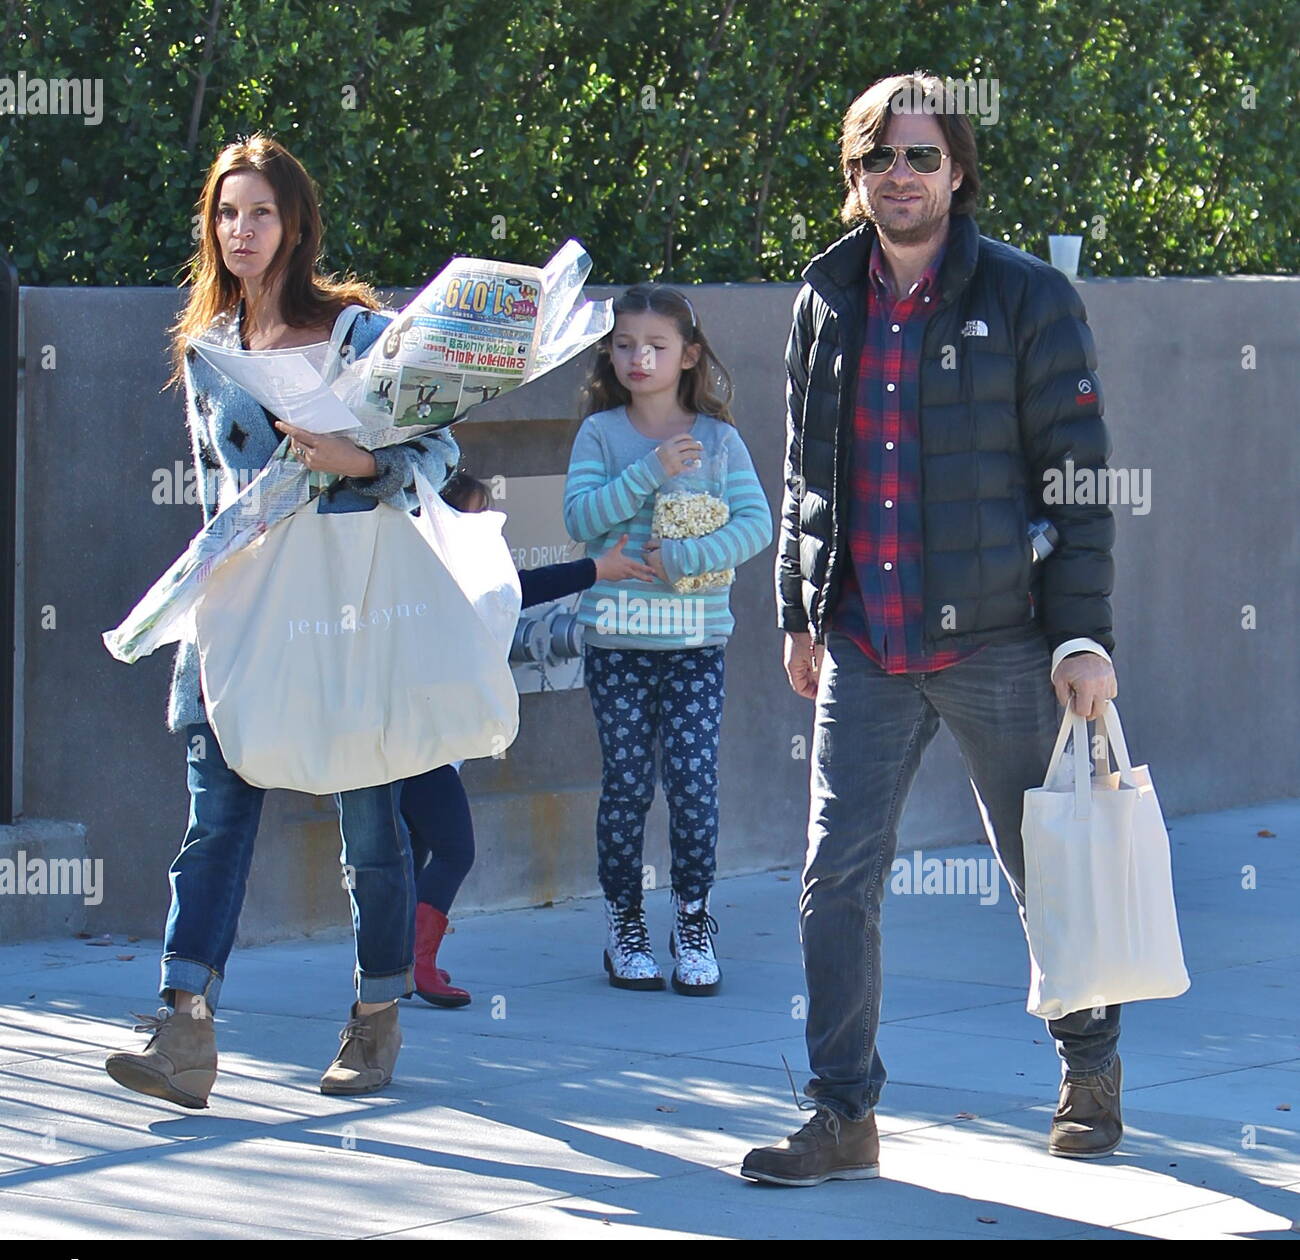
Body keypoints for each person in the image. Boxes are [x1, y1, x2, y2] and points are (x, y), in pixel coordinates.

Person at [741, 71, 1123, 1186]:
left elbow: (1077, 479)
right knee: (833, 881)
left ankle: (1089, 1066)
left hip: (999, 638)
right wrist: (796, 611)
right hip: (862, 635)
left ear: (956, 169)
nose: (897, 177)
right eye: (877, 159)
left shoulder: (1026, 297)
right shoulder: (824, 299)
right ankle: (840, 1111)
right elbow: (808, 470)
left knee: (1040, 868)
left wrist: (1080, 638)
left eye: (919, 157)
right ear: (852, 175)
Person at [103, 134, 458, 1109]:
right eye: (226, 213)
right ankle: (186, 1030)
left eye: (260, 212)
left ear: (295, 225)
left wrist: (357, 462)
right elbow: (221, 494)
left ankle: (375, 1021)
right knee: (213, 822)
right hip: (243, 605)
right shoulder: (207, 349)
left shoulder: (353, 333)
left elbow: (435, 445)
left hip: (345, 607)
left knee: (368, 832)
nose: (240, 230)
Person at [563, 285, 773, 995]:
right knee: (625, 784)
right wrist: (650, 471)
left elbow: (756, 525)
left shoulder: (720, 440)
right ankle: (625, 920)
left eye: (654, 345)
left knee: (692, 781)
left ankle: (693, 916)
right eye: (623, 344)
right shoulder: (600, 433)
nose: (638, 357)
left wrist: (679, 559)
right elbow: (582, 521)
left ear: (688, 355)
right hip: (617, 643)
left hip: (695, 645)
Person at [399, 468, 657, 1007]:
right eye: (471, 518)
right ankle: (415, 965)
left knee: (414, 853)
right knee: (453, 850)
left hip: (422, 743)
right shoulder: (441, 580)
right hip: (421, 747)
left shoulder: (425, 579)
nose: (484, 532)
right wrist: (599, 567)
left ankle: (399, 964)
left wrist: (598, 568)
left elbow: (514, 588)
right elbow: (521, 587)